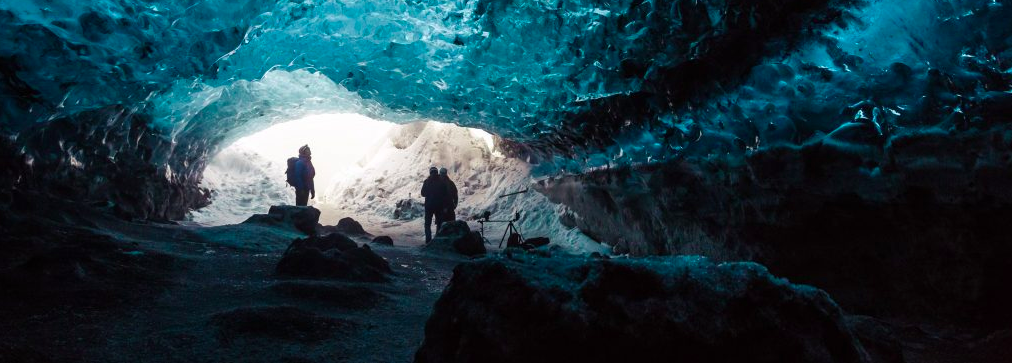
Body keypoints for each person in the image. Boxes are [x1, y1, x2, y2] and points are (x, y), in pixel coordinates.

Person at [420, 166, 447, 243]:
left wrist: (429, 194)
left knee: (427, 224)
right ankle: (437, 241)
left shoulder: (427, 181)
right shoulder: (441, 182)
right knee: (439, 224)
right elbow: (445, 194)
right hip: (439, 206)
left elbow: (422, 193)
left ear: (430, 172)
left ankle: (428, 241)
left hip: (429, 206)